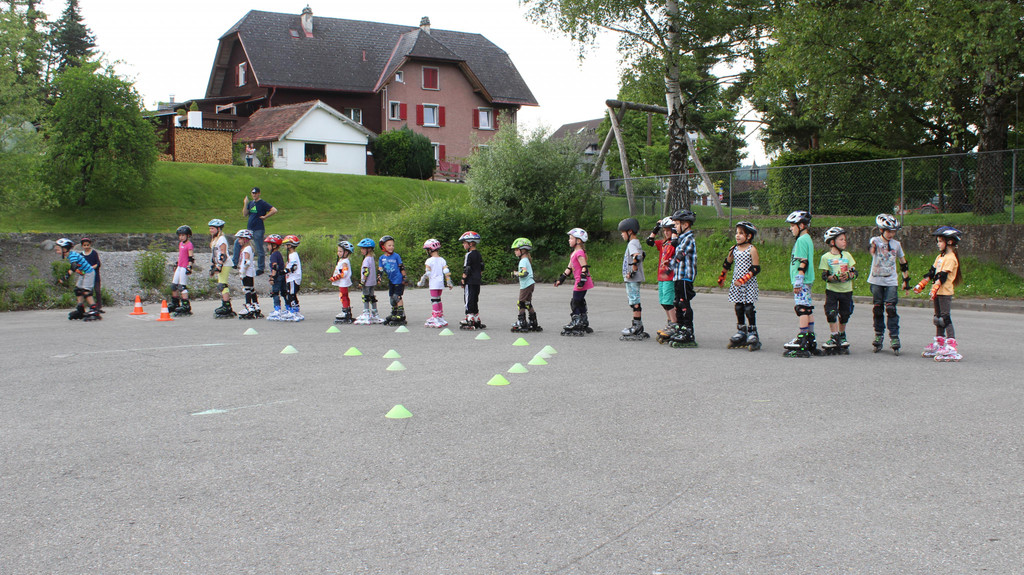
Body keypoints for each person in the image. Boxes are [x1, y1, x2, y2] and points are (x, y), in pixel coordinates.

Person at [915, 226, 965, 362]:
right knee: (937, 318)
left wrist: (934, 289)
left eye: (940, 241)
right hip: (938, 292)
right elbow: (933, 272)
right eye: (937, 241)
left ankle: (951, 346)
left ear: (949, 242)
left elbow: (942, 276)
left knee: (945, 318)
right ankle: (940, 342)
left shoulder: (951, 258)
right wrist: (921, 284)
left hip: (945, 292)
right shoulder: (940, 257)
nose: (938, 244)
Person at [867, 214, 911, 354]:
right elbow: (871, 248)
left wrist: (906, 281)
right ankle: (879, 334)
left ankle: (894, 337)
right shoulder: (875, 240)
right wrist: (873, 247)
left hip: (891, 280)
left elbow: (903, 262)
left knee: (891, 308)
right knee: (878, 308)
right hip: (876, 280)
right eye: (889, 231)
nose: (891, 234)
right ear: (881, 230)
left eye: (893, 231)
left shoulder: (897, 244)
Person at [719, 221, 761, 351]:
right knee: (738, 307)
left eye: (741, 233)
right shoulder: (734, 249)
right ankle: (741, 331)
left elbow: (756, 268)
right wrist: (722, 277)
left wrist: (744, 279)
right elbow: (727, 263)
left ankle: (753, 332)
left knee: (748, 308)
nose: (737, 235)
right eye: (737, 233)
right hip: (736, 284)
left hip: (748, 284)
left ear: (749, 236)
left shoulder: (752, 249)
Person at [784, 210, 818, 357]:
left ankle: (802, 339)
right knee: (808, 308)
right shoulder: (807, 238)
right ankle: (810, 338)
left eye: (793, 225)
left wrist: (798, 280)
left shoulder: (801, 240)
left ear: (801, 225)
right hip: (807, 280)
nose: (791, 228)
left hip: (802, 281)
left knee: (802, 309)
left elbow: (803, 261)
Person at [819, 226, 857, 355]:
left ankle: (842, 334)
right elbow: (825, 276)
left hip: (846, 291)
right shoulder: (826, 257)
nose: (844, 241)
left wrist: (849, 276)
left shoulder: (847, 255)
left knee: (845, 314)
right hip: (832, 291)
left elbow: (854, 272)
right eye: (841, 239)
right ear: (832, 242)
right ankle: (834, 335)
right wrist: (834, 278)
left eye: (845, 239)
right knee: (831, 313)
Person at [664, 209, 698, 348]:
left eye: (677, 224)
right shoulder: (681, 238)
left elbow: (680, 255)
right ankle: (680, 327)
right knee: (677, 302)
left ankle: (688, 331)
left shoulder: (688, 238)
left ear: (686, 225)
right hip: (678, 276)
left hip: (685, 277)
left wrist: (670, 266)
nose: (675, 227)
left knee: (684, 303)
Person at [553, 227, 594, 336]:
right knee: (579, 301)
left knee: (575, 301)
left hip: (581, 282)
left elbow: (584, 267)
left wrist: (582, 281)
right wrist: (561, 279)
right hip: (581, 281)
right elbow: (569, 268)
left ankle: (576, 322)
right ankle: (583, 321)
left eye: (571, 238)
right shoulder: (574, 253)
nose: (569, 240)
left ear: (578, 241)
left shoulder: (579, 252)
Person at [233, 187, 277, 275]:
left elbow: (274, 210)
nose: (254, 195)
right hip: (249, 229)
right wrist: (245, 203)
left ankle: (261, 267)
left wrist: (265, 217)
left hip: (258, 229)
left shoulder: (262, 203)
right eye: (253, 193)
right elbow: (245, 214)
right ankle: (235, 263)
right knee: (238, 242)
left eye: (256, 193)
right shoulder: (251, 203)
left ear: (259, 193)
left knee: (259, 248)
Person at [617, 218, 649, 341]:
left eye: (623, 232)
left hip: (633, 279)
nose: (622, 235)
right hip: (632, 279)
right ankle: (637, 325)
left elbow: (637, 256)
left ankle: (637, 327)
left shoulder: (632, 244)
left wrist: (633, 271)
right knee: (633, 300)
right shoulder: (635, 242)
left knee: (635, 301)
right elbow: (642, 255)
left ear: (629, 231)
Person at [54, 238, 100, 321]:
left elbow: (74, 266)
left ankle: (94, 310)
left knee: (86, 291)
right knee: (78, 290)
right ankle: (80, 309)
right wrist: (66, 277)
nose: (57, 251)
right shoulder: (70, 255)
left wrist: (66, 277)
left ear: (64, 249)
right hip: (83, 273)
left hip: (89, 272)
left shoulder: (72, 255)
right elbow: (74, 267)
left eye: (58, 249)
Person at [647, 217, 677, 342]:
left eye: (668, 230)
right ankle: (670, 323)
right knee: (663, 302)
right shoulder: (663, 243)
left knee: (669, 302)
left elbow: (677, 249)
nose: (666, 232)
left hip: (670, 276)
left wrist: (675, 230)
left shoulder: (674, 243)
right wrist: (656, 228)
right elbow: (649, 241)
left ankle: (674, 324)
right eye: (664, 230)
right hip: (661, 276)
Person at [418, 238, 454, 327]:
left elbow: (427, 273)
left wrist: (421, 281)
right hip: (440, 283)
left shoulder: (429, 261)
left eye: (427, 249)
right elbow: (446, 271)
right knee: (438, 299)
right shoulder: (442, 260)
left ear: (430, 250)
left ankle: (435, 317)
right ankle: (440, 316)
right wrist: (449, 282)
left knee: (434, 300)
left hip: (433, 284)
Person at [510, 237, 541, 333]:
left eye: (516, 249)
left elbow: (524, 273)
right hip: (530, 284)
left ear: (522, 250)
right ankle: (533, 322)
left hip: (526, 285)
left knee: (521, 303)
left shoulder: (523, 261)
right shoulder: (526, 259)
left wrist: (515, 273)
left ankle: (522, 322)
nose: (515, 251)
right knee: (527, 303)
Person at [377, 235, 408, 325]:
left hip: (398, 279)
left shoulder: (396, 256)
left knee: (397, 296)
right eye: (389, 245)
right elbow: (380, 269)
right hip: (391, 280)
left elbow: (401, 267)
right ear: (383, 246)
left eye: (393, 245)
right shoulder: (382, 258)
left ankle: (401, 314)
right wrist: (379, 278)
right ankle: (394, 312)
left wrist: (404, 277)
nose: (391, 247)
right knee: (392, 298)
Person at [209, 219, 236, 318]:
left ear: (218, 229)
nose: (211, 230)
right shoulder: (215, 239)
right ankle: (226, 304)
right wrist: (212, 266)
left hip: (225, 264)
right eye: (210, 228)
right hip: (219, 264)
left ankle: (227, 306)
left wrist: (219, 265)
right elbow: (214, 255)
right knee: (221, 284)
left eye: (212, 228)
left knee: (222, 284)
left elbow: (223, 255)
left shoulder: (222, 239)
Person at [459, 231, 486, 330]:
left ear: (470, 243)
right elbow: (482, 267)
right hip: (477, 280)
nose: (463, 245)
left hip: (470, 281)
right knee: (475, 298)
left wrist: (463, 279)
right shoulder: (478, 254)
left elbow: (467, 268)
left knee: (468, 298)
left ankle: (469, 317)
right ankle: (476, 317)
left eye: (464, 243)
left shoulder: (468, 255)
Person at [353, 238, 384, 324]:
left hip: (367, 282)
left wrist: (362, 282)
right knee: (372, 297)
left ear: (369, 249)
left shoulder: (366, 259)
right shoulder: (371, 258)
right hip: (372, 282)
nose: (361, 250)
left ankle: (366, 313)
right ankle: (374, 313)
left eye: (363, 248)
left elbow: (366, 272)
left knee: (365, 297)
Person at [236, 229, 262, 319]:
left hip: (246, 273)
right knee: (251, 289)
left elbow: (246, 262)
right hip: (250, 272)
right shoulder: (249, 248)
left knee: (247, 289)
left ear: (245, 239)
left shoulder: (246, 249)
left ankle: (248, 306)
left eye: (240, 239)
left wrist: (242, 273)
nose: (239, 241)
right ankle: (256, 305)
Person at [170, 225, 194, 317]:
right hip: (179, 266)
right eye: (180, 235)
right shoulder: (181, 244)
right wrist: (177, 264)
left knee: (182, 287)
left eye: (183, 235)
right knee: (173, 286)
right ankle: (175, 303)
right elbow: (181, 255)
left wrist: (189, 267)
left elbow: (191, 257)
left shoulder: (189, 245)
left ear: (188, 236)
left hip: (184, 267)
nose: (181, 237)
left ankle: (186, 305)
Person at [331, 240, 355, 324]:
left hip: (343, 282)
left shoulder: (345, 262)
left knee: (343, 296)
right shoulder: (342, 260)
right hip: (343, 282)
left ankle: (345, 312)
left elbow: (344, 273)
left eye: (340, 251)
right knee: (344, 296)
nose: (338, 253)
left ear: (346, 252)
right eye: (338, 251)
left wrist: (335, 278)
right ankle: (347, 310)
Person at [264, 234, 287, 320]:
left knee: (275, 293)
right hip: (282, 275)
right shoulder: (278, 254)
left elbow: (275, 266)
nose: (267, 247)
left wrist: (272, 277)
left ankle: (277, 310)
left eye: (269, 245)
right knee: (284, 292)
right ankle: (288, 308)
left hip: (277, 276)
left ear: (274, 245)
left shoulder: (273, 255)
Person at [282, 235, 303, 321]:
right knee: (291, 294)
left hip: (293, 278)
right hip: (291, 278)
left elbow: (293, 266)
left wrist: (284, 271)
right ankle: (296, 310)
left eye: (286, 244)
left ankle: (293, 311)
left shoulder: (293, 255)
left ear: (290, 245)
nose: (284, 246)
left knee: (291, 294)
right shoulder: (292, 255)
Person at [79, 237, 102, 312]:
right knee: (87, 292)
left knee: (97, 291)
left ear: (90, 245)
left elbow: (98, 264)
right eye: (84, 245)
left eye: (87, 245)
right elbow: (80, 266)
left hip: (95, 275)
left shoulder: (94, 253)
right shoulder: (81, 255)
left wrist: (90, 268)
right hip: (86, 276)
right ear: (82, 246)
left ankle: (99, 307)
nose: (86, 247)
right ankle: (91, 306)